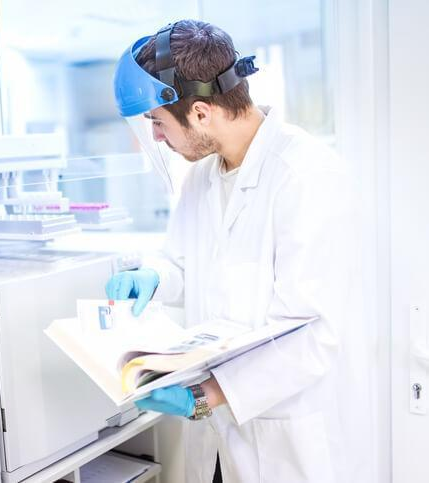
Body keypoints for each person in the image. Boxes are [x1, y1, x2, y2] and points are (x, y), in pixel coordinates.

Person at [107, 20, 372, 483]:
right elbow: (185, 265)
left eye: (158, 122)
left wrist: (204, 396)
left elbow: (313, 336)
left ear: (202, 113)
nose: (156, 138)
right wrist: (154, 276)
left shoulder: (307, 177)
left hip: (284, 442)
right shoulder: (202, 176)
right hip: (217, 442)